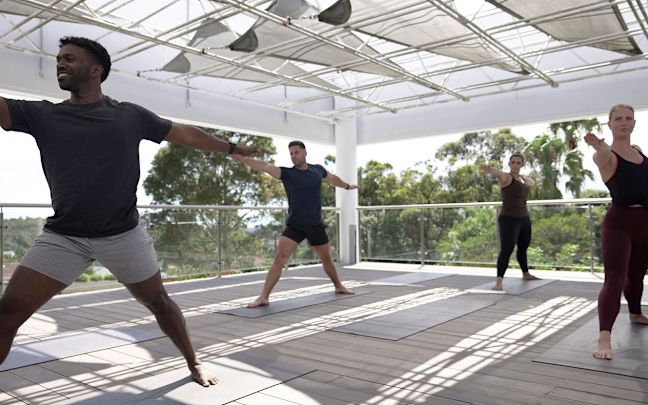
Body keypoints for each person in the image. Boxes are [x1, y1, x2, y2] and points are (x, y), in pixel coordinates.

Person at [0, 36, 268, 386]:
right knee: (6, 316)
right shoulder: (43, 114)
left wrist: (232, 147)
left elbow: (185, 134)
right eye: (58, 59)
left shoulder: (128, 116)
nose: (59, 63)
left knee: (160, 302)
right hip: (64, 236)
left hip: (122, 235)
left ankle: (193, 362)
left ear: (96, 70)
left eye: (69, 58)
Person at [232, 141, 356, 308]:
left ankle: (339, 286)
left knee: (326, 258)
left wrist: (347, 186)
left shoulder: (317, 170)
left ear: (305, 153)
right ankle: (263, 297)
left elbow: (332, 178)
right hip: (296, 225)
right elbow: (265, 166)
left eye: (296, 152)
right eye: (291, 153)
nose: (293, 156)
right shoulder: (287, 173)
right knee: (280, 258)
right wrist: (245, 160)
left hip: (315, 224)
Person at [584, 104, 648, 360]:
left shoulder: (640, 153)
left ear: (634, 123)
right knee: (615, 279)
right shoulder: (607, 156)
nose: (623, 122)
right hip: (619, 223)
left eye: (628, 118)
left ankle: (635, 312)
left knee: (637, 274)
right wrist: (599, 146)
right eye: (618, 119)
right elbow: (601, 157)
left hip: (646, 223)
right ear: (609, 125)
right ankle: (604, 337)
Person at [480, 153, 541, 291]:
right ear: (509, 164)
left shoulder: (523, 179)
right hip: (509, 219)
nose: (515, 165)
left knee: (523, 248)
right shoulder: (506, 178)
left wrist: (525, 179)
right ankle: (498, 282)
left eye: (518, 163)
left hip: (524, 218)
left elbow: (531, 183)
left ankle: (526, 274)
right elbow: (498, 173)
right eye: (513, 162)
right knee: (506, 250)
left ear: (522, 165)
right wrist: (490, 169)